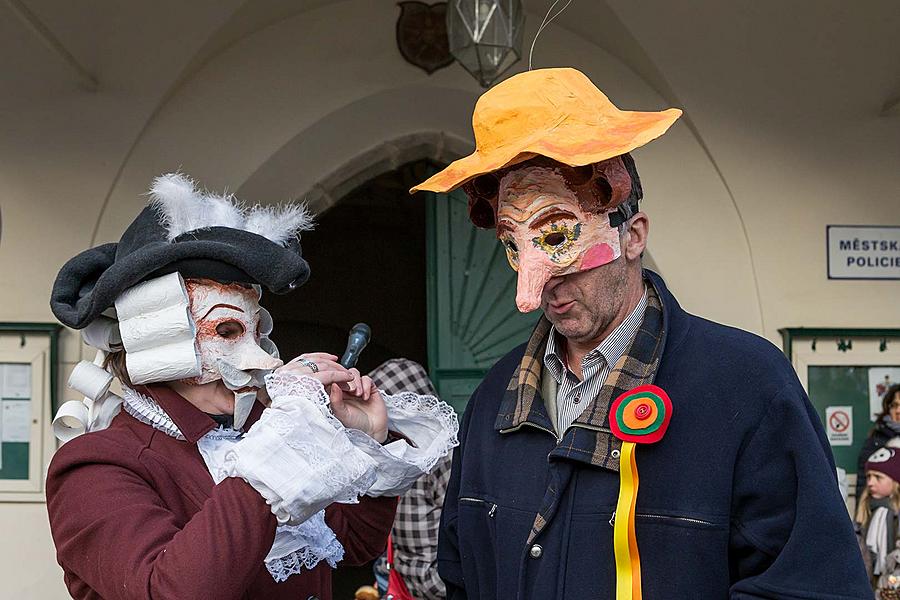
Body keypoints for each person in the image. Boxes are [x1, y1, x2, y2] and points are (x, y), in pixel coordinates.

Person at [410, 68, 870, 598]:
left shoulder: (745, 385)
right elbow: (462, 575)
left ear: (633, 235)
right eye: (514, 245)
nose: (531, 289)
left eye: (557, 235)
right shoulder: (494, 397)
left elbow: (810, 586)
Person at [46, 173, 458, 600]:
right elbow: (171, 591)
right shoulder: (96, 465)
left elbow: (353, 543)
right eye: (225, 330)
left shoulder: (256, 432)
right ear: (158, 335)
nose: (264, 358)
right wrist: (282, 441)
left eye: (257, 333)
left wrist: (364, 438)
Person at [368, 359, 453, 600]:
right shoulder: (395, 454)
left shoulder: (445, 454)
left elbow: (464, 527)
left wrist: (443, 582)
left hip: (437, 589)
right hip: (402, 584)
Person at [856, 447, 900, 593]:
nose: (870, 483)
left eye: (878, 477)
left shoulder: (896, 514)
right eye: (868, 476)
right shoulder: (865, 510)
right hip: (871, 584)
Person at [859, 384, 900, 501]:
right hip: (884, 511)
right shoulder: (875, 440)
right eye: (894, 405)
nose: (898, 410)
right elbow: (863, 484)